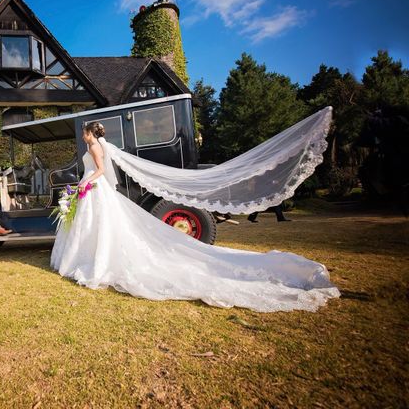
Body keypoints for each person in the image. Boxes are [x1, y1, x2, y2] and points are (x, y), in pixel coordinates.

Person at [51, 121, 340, 312]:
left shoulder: (93, 147)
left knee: (99, 226)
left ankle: (93, 259)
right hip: (96, 190)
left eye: (84, 133)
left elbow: (100, 171)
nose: (83, 136)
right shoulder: (102, 145)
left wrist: (83, 184)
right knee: (101, 226)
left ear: (90, 133)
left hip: (94, 187)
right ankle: (94, 255)